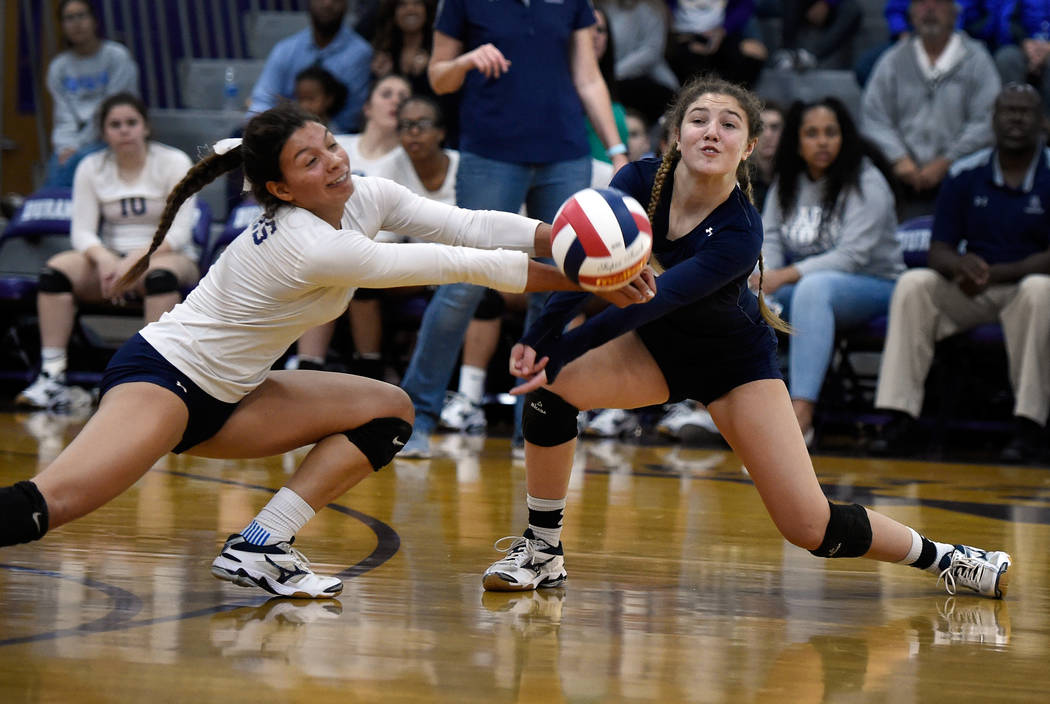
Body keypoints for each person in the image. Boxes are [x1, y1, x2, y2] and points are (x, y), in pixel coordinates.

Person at [0, 103, 654, 599]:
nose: (334, 162)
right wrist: (591, 275)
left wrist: (567, 237)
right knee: (47, 505)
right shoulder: (307, 242)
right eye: (309, 162)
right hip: (164, 379)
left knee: (389, 412)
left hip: (236, 397)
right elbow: (459, 261)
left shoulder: (363, 194)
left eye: (330, 145)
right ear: (281, 189)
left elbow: (469, 223)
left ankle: (260, 546)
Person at [479, 75, 1012, 603]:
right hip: (654, 353)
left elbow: (654, 298)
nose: (712, 132)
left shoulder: (741, 229)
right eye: (699, 120)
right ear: (677, 136)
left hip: (734, 367)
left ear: (749, 147)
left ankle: (950, 558)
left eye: (729, 124)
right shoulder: (638, 182)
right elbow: (590, 268)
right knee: (552, 393)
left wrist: (561, 349)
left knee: (812, 528)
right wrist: (546, 339)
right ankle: (542, 551)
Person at [398, 0, 629, 458]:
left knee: (558, 285)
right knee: (463, 280)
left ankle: (536, 428)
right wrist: (466, 61)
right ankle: (416, 417)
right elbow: (439, 77)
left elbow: (587, 77)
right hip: (490, 153)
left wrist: (617, 149)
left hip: (565, 153)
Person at [869, 83, 1050, 464]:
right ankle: (900, 417)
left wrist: (1003, 271)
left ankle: (1029, 427)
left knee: (1040, 290)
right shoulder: (967, 172)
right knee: (915, 284)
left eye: (1025, 111)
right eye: (1008, 110)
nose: (1016, 118)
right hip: (973, 288)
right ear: (993, 120)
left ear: (1042, 123)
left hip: (1026, 291)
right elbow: (939, 248)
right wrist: (957, 264)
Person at [17, 93, 199, 411]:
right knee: (54, 272)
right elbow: (82, 231)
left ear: (146, 127)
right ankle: (52, 376)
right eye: (115, 125)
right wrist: (104, 258)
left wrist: (135, 259)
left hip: (167, 254)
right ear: (104, 133)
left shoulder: (174, 162)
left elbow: (180, 232)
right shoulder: (91, 166)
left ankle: (150, 379)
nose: (124, 130)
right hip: (112, 255)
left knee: (160, 276)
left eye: (131, 122)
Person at [753, 96, 904, 446]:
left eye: (830, 133)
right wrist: (766, 276)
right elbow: (771, 238)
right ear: (797, 141)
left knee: (812, 289)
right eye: (812, 133)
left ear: (844, 137)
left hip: (877, 285)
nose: (822, 141)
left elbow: (851, 256)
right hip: (812, 286)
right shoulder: (787, 182)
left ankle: (801, 414)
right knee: (751, 293)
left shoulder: (867, 181)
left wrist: (786, 275)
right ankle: (727, 408)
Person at [293, 74, 413, 377]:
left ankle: (368, 369)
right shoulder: (337, 145)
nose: (396, 101)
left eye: (403, 96)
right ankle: (308, 369)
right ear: (367, 107)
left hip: (385, 247)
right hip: (329, 239)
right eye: (387, 93)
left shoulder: (411, 158)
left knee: (348, 271)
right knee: (324, 267)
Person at [861, 0, 1000, 219]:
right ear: (911, 14)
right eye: (921, 3)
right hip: (900, 179)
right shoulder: (893, 60)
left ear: (954, 13)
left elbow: (986, 120)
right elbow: (874, 118)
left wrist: (948, 161)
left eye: (938, 3)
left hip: (961, 177)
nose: (930, 9)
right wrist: (898, 158)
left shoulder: (977, 60)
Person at [44, 0, 140, 187]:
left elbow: (112, 110)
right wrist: (66, 146)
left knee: (76, 161)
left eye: (82, 15)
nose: (76, 23)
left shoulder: (116, 56)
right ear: (62, 26)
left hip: (113, 135)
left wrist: (77, 147)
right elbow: (63, 116)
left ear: (94, 21)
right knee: (59, 161)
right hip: (74, 141)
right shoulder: (59, 67)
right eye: (69, 18)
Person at [247, 0, 372, 133]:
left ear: (346, 4)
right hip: (282, 132)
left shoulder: (361, 53)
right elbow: (263, 100)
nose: (327, 3)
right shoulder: (285, 49)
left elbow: (351, 118)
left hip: (336, 136)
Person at [599, 0, 679, 126]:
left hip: (647, 75)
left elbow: (651, 51)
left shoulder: (653, 8)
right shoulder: (602, 7)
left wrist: (614, 72)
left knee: (673, 101)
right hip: (610, 75)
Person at [666, 0, 769, 89]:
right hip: (682, 37)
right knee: (687, 59)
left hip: (722, 32)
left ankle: (737, 99)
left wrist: (723, 30)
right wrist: (677, 36)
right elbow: (661, 10)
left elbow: (745, 6)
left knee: (755, 52)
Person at [768, 0, 864, 72]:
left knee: (853, 11)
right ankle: (786, 52)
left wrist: (827, 2)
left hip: (833, 6)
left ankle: (809, 57)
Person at [994, 3, 1050, 114]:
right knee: (1006, 58)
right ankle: (1015, 118)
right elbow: (1008, 19)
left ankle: (1046, 122)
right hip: (1023, 44)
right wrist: (1024, 42)